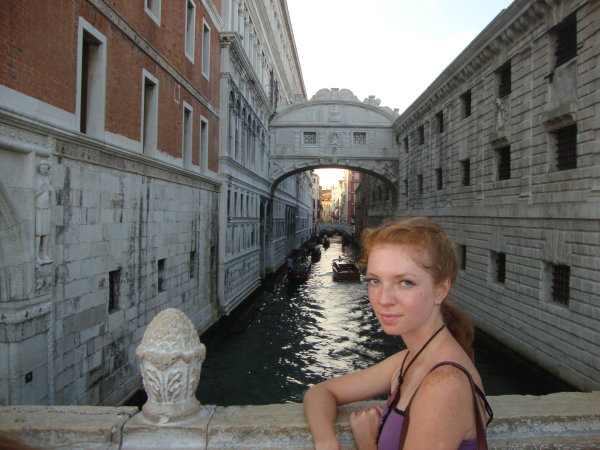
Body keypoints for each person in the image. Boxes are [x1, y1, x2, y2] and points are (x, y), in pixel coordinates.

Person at [303, 216, 493, 449]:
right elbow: (320, 392)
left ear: (440, 290)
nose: (383, 299)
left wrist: (367, 443)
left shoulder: (445, 384)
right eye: (375, 281)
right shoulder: (409, 360)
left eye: (405, 283)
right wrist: (326, 441)